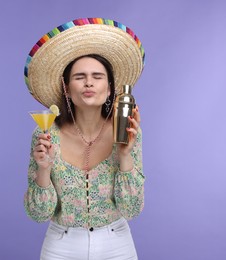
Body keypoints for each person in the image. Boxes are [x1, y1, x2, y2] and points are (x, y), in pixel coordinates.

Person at [23, 18, 146, 260]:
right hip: (61, 247)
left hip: (117, 245)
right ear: (67, 88)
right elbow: (38, 214)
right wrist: (44, 169)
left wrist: (124, 155)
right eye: (79, 77)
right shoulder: (46, 134)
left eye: (97, 76)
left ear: (110, 88)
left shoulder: (127, 131)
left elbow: (131, 209)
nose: (89, 82)